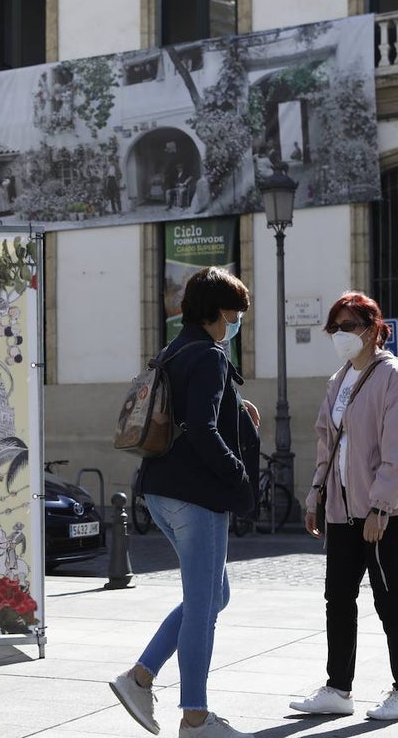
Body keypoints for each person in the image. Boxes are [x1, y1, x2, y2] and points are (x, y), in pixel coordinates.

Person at [109, 266, 259, 738]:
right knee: (201, 607)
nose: (238, 321)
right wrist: (237, 475)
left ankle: (140, 677)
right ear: (219, 312)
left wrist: (237, 408)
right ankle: (195, 717)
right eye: (235, 312)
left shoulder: (174, 349)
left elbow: (188, 411)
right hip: (196, 496)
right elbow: (200, 427)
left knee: (214, 596)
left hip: (159, 488)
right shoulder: (210, 355)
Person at [290, 291, 398, 722]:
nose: (339, 335)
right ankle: (338, 689)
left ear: (372, 329)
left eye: (348, 326)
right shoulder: (339, 380)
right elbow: (327, 444)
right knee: (338, 597)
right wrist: (316, 495)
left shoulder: (394, 377)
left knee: (388, 599)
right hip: (343, 508)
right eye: (334, 328)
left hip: (385, 512)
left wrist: (381, 508)